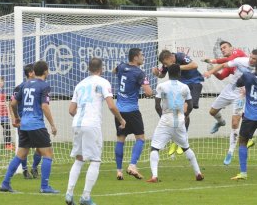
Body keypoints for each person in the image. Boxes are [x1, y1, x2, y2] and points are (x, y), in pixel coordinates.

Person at [65, 58, 126, 205]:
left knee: (79, 159)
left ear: (88, 68)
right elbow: (111, 106)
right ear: (101, 68)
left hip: (77, 123)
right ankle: (85, 196)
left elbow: (71, 110)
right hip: (92, 124)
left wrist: (81, 118)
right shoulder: (103, 82)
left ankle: (68, 194)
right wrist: (121, 119)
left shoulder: (80, 84)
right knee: (95, 160)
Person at [0, 60, 59, 193]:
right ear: (45, 71)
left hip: (24, 125)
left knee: (20, 154)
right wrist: (53, 125)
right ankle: (44, 187)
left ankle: (5, 183)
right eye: (48, 70)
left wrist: (16, 117)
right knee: (48, 154)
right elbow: (44, 106)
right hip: (36, 124)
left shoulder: (24, 85)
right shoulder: (44, 85)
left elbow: (13, 103)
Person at [147, 64, 204, 183]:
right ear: (179, 74)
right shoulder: (185, 87)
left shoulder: (161, 86)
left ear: (168, 73)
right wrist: (185, 115)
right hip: (180, 119)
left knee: (155, 147)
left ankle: (154, 176)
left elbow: (157, 105)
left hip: (166, 118)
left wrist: (162, 117)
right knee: (186, 147)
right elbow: (191, 105)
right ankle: (198, 173)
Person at [152, 50, 204, 155]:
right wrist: (157, 73)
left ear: (170, 57)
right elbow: (162, 75)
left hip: (194, 84)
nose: (166, 66)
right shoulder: (167, 64)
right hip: (181, 87)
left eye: (166, 63)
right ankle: (178, 141)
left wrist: (177, 67)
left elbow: (194, 65)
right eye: (164, 64)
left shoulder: (180, 56)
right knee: (181, 114)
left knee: (185, 113)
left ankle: (180, 141)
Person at [113, 48, 153, 180]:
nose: (143, 57)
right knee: (140, 138)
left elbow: (114, 71)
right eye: (141, 55)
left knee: (120, 139)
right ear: (135, 58)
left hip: (119, 111)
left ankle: (119, 171)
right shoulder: (140, 73)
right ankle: (132, 165)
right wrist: (145, 84)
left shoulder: (121, 66)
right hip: (132, 110)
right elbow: (148, 92)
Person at [9, 64, 42, 179]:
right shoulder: (19, 88)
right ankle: (24, 170)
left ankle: (34, 167)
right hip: (23, 121)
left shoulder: (38, 86)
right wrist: (14, 117)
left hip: (36, 120)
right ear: (30, 73)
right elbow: (12, 103)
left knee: (41, 146)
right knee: (24, 147)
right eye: (34, 71)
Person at [0, 76, 13, 150]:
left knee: (7, 128)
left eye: (2, 81)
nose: (1, 83)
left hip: (3, 113)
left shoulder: (3, 90)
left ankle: (8, 145)